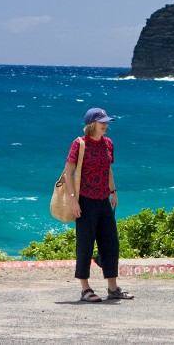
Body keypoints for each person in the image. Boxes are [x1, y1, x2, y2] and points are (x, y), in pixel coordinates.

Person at [63, 107, 134, 302]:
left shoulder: (108, 144)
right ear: (92, 124)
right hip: (84, 200)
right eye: (102, 122)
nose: (106, 125)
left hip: (103, 199)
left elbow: (107, 169)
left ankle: (113, 289)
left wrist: (114, 191)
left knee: (111, 244)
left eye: (107, 122)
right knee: (85, 244)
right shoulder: (80, 144)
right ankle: (85, 289)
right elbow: (68, 173)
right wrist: (72, 200)